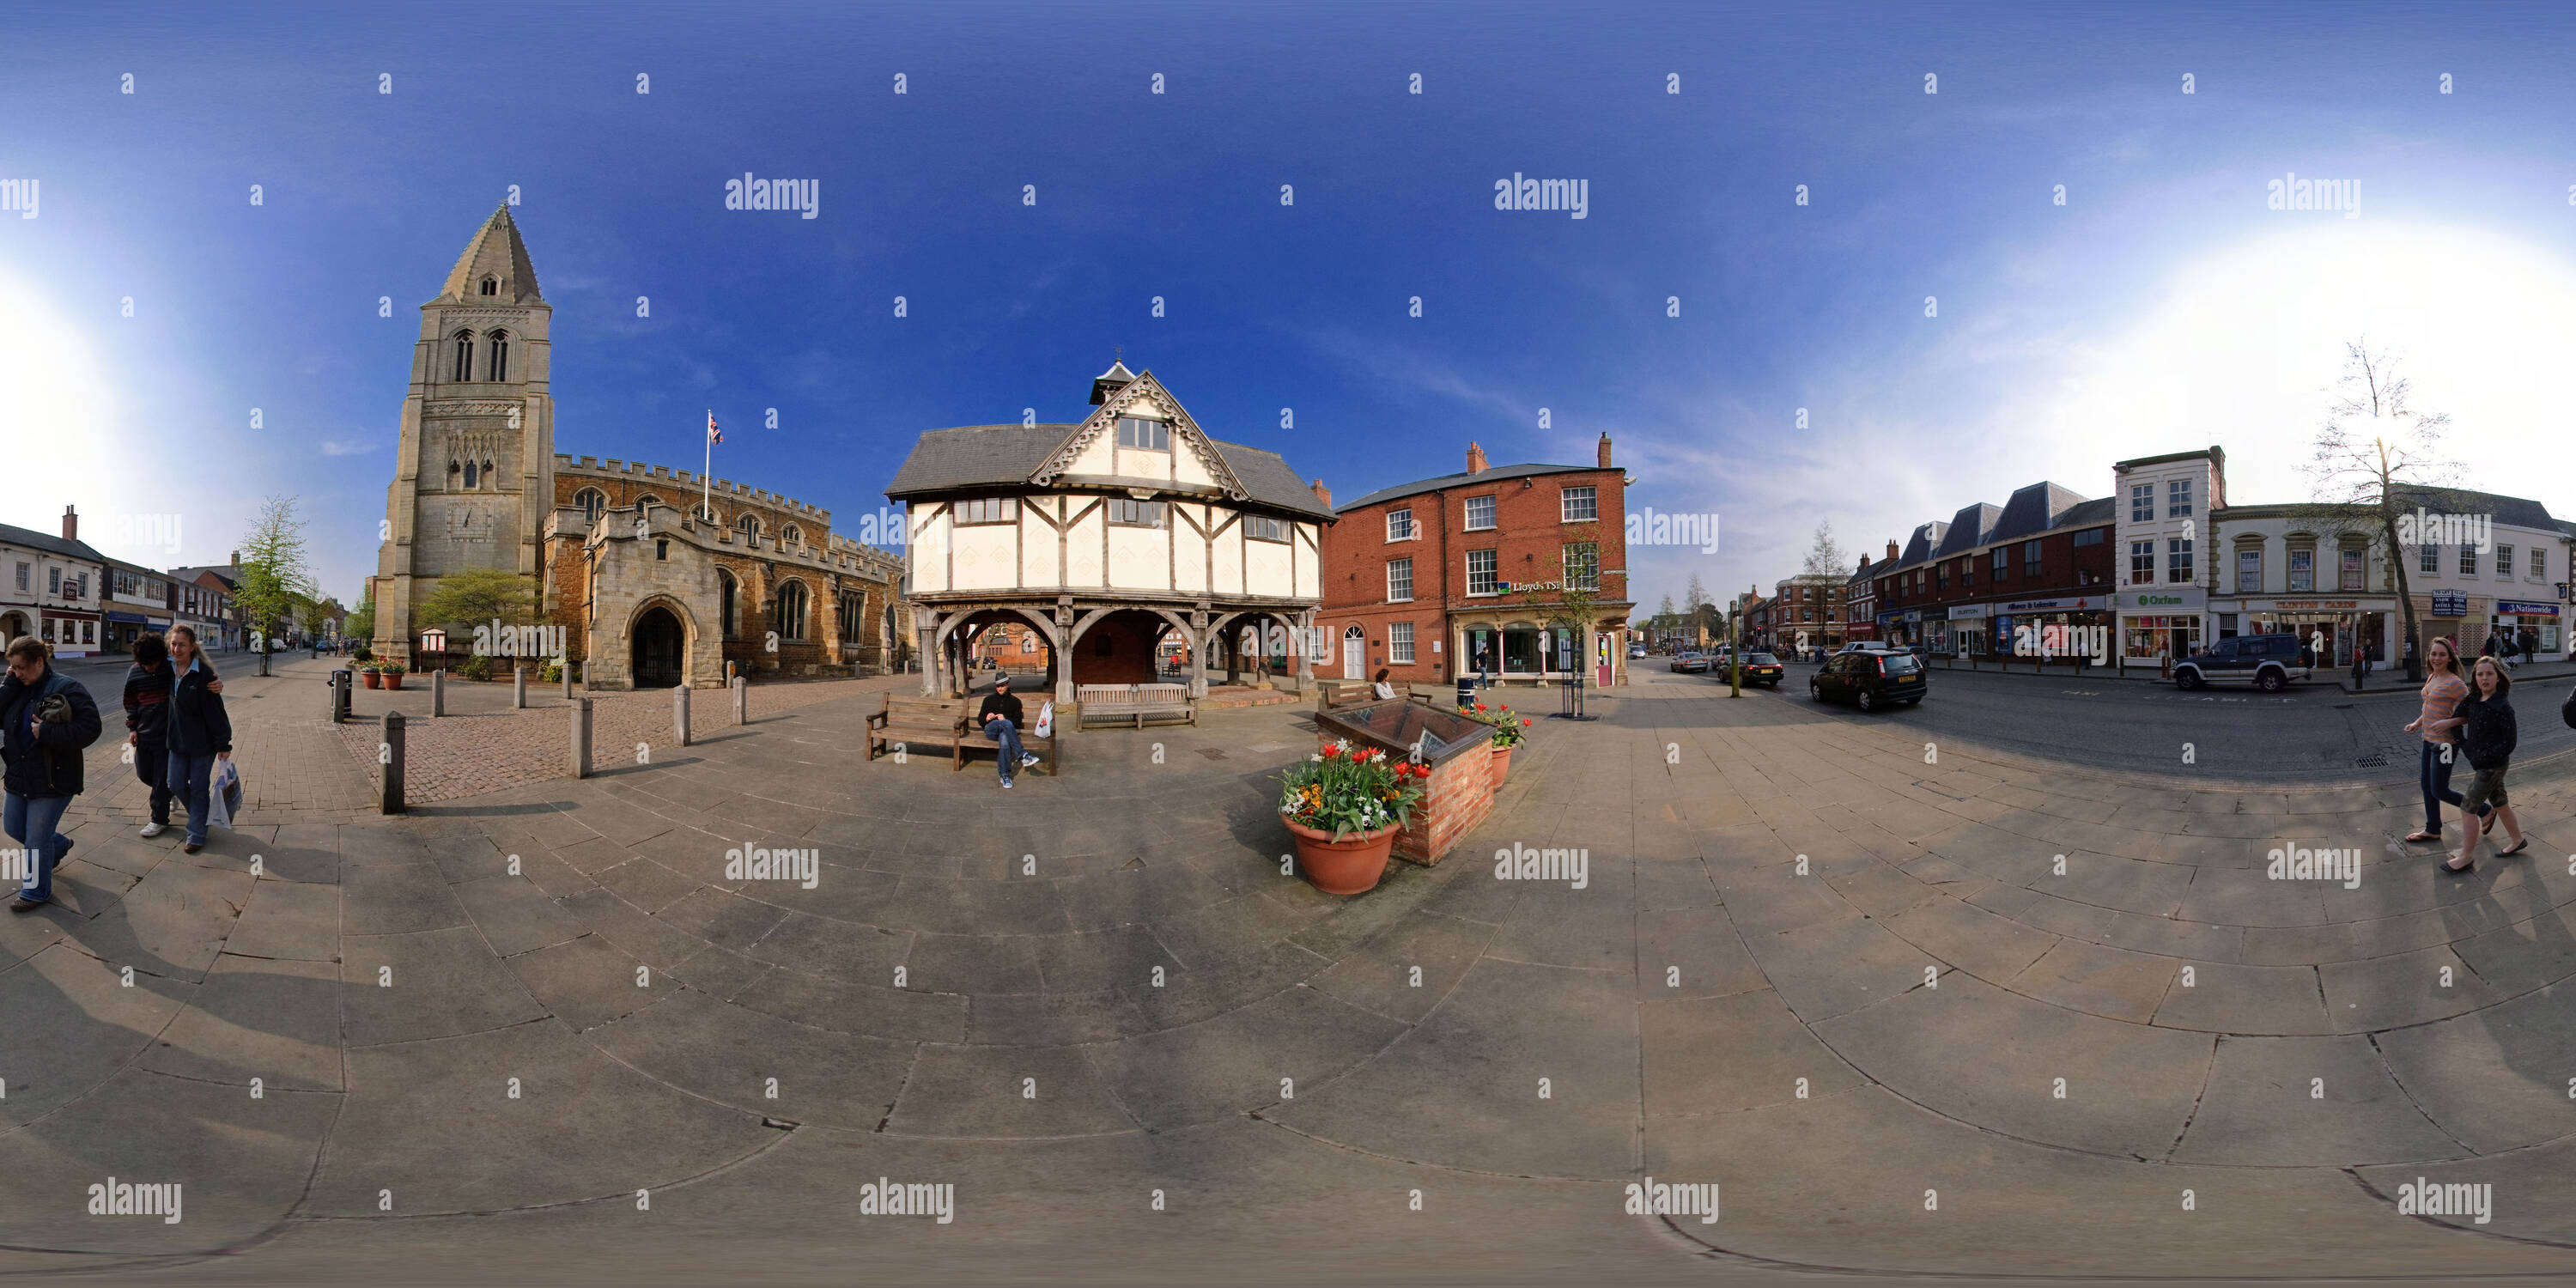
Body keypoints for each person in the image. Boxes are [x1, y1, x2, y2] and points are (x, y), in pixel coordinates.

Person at [3, 636, 104, 910]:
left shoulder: (67, 687)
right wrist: (10, 683)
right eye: (13, 667)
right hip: (19, 774)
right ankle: (58, 846)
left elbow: (92, 727)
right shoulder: (17, 686)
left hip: (53, 777)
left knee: (35, 840)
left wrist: (48, 732)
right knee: (12, 827)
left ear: (39, 661)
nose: (18, 672)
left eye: (22, 667)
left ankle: (35, 892)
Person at [2442, 655, 2524, 873]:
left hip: (2493, 766)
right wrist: (2466, 747)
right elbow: (2458, 722)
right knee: (2499, 801)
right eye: (2480, 674)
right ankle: (2517, 840)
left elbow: (2510, 742)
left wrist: (2483, 757)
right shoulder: (2472, 700)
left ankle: (2466, 856)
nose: (2484, 678)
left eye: (2489, 674)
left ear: (2498, 677)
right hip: (2481, 763)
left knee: (2468, 807)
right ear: (2475, 678)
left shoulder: (2502, 706)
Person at [2403, 636, 2479, 845]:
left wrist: (2448, 723)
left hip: (2446, 744)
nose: (2436, 658)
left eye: (2441, 655)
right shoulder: (2432, 677)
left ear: (2450, 658)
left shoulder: (2455, 683)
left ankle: (2484, 810)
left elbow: (2471, 714)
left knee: (2440, 790)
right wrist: (2417, 723)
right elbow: (2430, 707)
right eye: (2433, 654)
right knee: (2426, 786)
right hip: (2428, 741)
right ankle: (2433, 829)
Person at [164, 625, 233, 854]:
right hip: (176, 740)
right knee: (174, 783)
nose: (176, 649)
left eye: (182, 644)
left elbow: (216, 712)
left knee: (199, 788)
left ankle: (196, 833)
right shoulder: (167, 669)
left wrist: (224, 743)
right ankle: (200, 816)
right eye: (174, 644)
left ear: (192, 647)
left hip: (202, 744)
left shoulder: (203, 675)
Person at [975, 674, 1038, 789]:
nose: (1000, 688)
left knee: (1004, 738)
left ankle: (1005, 775)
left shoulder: (1015, 702)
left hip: (1007, 733)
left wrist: (1005, 719)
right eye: (998, 686)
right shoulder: (988, 700)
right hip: (991, 730)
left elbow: (1018, 722)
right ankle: (1022, 755)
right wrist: (986, 718)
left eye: (1002, 686)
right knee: (1007, 723)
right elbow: (980, 720)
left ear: (1007, 685)